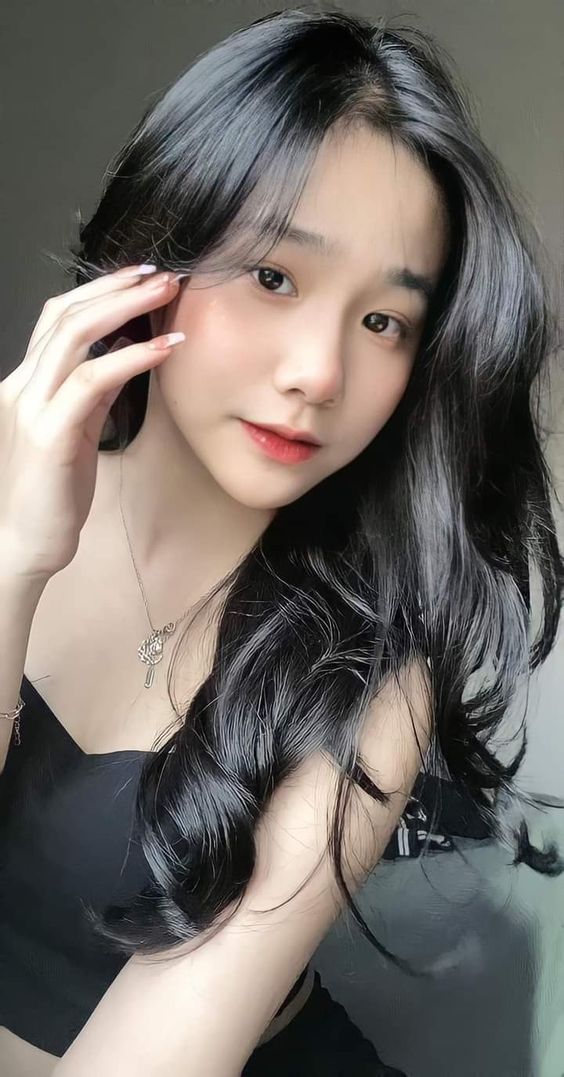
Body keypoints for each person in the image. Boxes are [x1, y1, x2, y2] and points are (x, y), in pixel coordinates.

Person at [0, 6, 562, 1076]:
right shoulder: (6, 480)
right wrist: (12, 565)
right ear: (153, 248)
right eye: (274, 276)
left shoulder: (369, 681)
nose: (320, 374)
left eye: (384, 322)